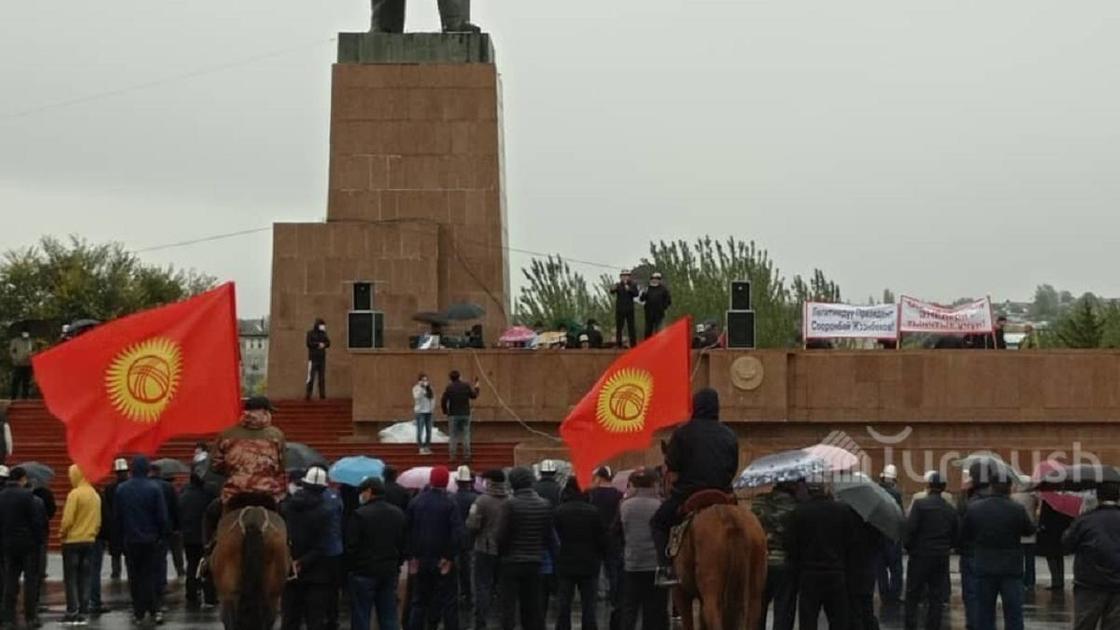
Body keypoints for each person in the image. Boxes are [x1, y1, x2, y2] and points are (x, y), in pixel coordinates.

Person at [650, 388, 738, 585]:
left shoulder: (683, 433)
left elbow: (673, 471)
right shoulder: (730, 435)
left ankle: (666, 569)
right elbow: (733, 468)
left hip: (689, 493)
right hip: (723, 493)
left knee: (658, 523)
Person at [961, 475, 1035, 630]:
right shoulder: (1017, 509)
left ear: (991, 487)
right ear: (1009, 488)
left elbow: (965, 534)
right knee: (1013, 613)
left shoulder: (975, 508)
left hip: (984, 566)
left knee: (984, 612)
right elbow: (1028, 530)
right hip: (1011, 568)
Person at [786, 481, 858, 630]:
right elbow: (851, 543)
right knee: (838, 621)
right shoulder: (842, 510)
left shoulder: (799, 512)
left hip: (809, 574)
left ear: (809, 491)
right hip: (836, 573)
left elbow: (791, 545)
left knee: (808, 621)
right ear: (826, 489)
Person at [347, 477, 408, 630]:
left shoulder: (360, 514)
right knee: (389, 616)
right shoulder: (398, 513)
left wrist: (352, 568)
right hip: (389, 571)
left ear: (369, 491)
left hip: (364, 572)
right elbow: (403, 543)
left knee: (361, 617)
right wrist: (397, 563)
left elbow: (351, 546)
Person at [407, 466, 464, 630]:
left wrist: (412, 556)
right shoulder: (450, 503)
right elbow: (457, 533)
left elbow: (408, 530)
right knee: (449, 601)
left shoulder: (416, 501)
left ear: (431, 481)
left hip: (421, 559)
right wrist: (449, 557)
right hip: (442, 560)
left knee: (419, 600)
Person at [114, 456, 169, 626]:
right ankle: (154, 609)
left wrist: (118, 540)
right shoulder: (154, 488)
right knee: (150, 575)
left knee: (134, 576)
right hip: (151, 539)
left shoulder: (122, 489)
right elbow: (162, 516)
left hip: (130, 539)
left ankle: (138, 611)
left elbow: (118, 517)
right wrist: (162, 536)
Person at [496, 467, 553, 630]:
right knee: (532, 607)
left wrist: (502, 553)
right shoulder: (544, 504)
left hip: (511, 561)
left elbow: (500, 535)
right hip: (534, 561)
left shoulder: (509, 505)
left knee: (508, 607)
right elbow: (548, 535)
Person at [282, 468, 337, 630]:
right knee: (315, 621)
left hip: (290, 571)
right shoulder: (326, 512)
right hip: (317, 574)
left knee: (290, 619)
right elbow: (323, 544)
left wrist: (293, 561)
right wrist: (303, 561)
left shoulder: (286, 507)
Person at [904, 472, 959, 630]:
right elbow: (956, 535)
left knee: (913, 593)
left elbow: (910, 529)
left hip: (920, 555)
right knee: (936, 595)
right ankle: (933, 626)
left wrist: (910, 548)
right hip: (941, 556)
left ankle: (911, 625)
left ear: (928, 486)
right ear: (944, 488)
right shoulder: (950, 509)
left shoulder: (920, 505)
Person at [1062, 482, 1120, 630]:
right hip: (1118, 584)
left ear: (1098, 497)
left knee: (1084, 624)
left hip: (1089, 583)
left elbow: (1066, 544)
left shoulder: (1085, 520)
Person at [553, 478, 609, 630]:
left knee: (564, 604)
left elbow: (554, 538)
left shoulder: (559, 511)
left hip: (565, 563)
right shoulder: (594, 512)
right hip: (589, 564)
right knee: (589, 605)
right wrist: (602, 556)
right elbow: (602, 538)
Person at [618, 468, 666, 630]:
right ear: (654, 484)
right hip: (656, 565)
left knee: (630, 608)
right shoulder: (660, 505)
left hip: (632, 563)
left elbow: (617, 532)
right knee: (654, 610)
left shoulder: (625, 506)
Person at [0, 467, 46, 629]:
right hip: (28, 545)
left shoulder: (1, 496)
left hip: (8, 545)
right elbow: (36, 521)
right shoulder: (28, 496)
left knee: (10, 581)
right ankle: (30, 617)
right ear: (22, 479)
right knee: (30, 581)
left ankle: (7, 618)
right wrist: (39, 541)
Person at [750, 481, 799, 630]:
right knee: (784, 608)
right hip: (784, 562)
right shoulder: (795, 505)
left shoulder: (758, 501)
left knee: (758, 607)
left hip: (760, 562)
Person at [59, 464, 101, 626]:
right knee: (86, 576)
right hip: (89, 541)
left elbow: (68, 519)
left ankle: (72, 610)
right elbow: (98, 521)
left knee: (71, 578)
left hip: (72, 541)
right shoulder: (95, 495)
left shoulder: (75, 494)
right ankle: (84, 609)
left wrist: (62, 533)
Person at [466, 469, 508, 630]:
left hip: (484, 548)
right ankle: (505, 619)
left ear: (490, 481)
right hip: (505, 549)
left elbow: (472, 525)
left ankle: (480, 621)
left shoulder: (482, 501)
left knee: (482, 586)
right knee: (503, 586)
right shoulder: (510, 500)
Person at [588, 466, 624, 630]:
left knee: (595, 570)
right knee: (613, 570)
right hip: (613, 537)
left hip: (595, 537)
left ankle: (595, 595)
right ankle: (615, 598)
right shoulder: (619, 495)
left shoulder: (592, 494)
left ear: (600, 477)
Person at [179, 473, 217, 609]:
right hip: (205, 536)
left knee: (191, 565)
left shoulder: (183, 495)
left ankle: (191, 593)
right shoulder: (208, 495)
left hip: (189, 536)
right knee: (207, 566)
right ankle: (209, 596)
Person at [876, 465, 905, 603]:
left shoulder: (875, 492)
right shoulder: (896, 494)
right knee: (896, 568)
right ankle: (894, 595)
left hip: (878, 535)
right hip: (892, 536)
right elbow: (900, 515)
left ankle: (884, 594)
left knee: (880, 568)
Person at [453, 466, 479, 606]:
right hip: (472, 539)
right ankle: (470, 597)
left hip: (455, 540)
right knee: (470, 570)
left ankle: (459, 596)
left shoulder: (451, 498)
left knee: (456, 571)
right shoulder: (476, 499)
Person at [441, 371, 480, 463]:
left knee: (453, 436)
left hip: (453, 414)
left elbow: (443, 400)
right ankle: (467, 455)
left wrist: (445, 411)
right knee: (466, 435)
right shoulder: (465, 386)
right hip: (465, 414)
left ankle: (453, 456)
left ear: (450, 378)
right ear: (460, 377)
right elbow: (474, 396)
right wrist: (477, 388)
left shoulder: (449, 387)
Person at [1011, 475, 1040, 590]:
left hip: (1017, 532)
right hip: (1031, 532)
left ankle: (1020, 580)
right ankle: (1030, 581)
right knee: (1030, 560)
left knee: (1018, 559)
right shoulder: (1033, 497)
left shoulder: (1013, 497)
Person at [1039, 499, 1074, 591]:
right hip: (1061, 530)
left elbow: (1043, 517)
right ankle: (1060, 581)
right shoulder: (1065, 500)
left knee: (1050, 556)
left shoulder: (1048, 500)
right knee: (1059, 556)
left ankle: (1055, 581)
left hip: (1050, 531)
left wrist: (1041, 526)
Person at [639, 272, 672, 339]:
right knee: (648, 331)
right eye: (653, 278)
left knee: (660, 332)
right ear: (651, 279)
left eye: (657, 278)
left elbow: (668, 300)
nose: (655, 280)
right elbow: (641, 299)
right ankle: (647, 344)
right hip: (649, 314)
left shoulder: (663, 289)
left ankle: (660, 345)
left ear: (659, 280)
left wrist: (663, 307)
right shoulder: (647, 288)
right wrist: (644, 293)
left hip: (660, 314)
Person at [612, 271, 640, 348]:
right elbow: (612, 291)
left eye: (626, 276)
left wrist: (629, 289)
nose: (624, 277)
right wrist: (613, 289)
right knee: (619, 327)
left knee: (631, 327)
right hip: (620, 309)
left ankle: (633, 344)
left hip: (629, 309)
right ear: (620, 277)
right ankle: (618, 344)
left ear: (629, 277)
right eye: (623, 276)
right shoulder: (618, 285)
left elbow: (636, 294)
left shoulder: (633, 285)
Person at [306, 317, 330, 400]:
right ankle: (308, 394)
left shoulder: (323, 334)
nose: (323, 327)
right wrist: (318, 344)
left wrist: (324, 345)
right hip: (312, 358)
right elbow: (308, 343)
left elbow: (328, 343)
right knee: (311, 377)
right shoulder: (310, 333)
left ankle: (322, 395)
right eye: (322, 325)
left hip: (321, 358)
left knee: (321, 377)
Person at [413, 373, 436, 455]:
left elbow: (433, 398)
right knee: (420, 430)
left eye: (426, 380)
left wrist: (432, 408)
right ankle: (421, 447)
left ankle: (427, 446)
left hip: (428, 412)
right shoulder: (416, 388)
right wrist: (422, 389)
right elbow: (417, 397)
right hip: (420, 412)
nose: (425, 382)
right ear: (419, 381)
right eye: (423, 380)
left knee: (429, 430)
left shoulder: (430, 388)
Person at [7, 329, 34, 400]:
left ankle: (25, 397)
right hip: (18, 364)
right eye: (24, 332)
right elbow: (12, 351)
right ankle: (13, 397)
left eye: (27, 333)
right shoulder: (15, 340)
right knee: (16, 381)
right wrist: (16, 359)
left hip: (27, 364)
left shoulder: (30, 341)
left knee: (26, 381)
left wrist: (31, 355)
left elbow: (32, 350)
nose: (26, 334)